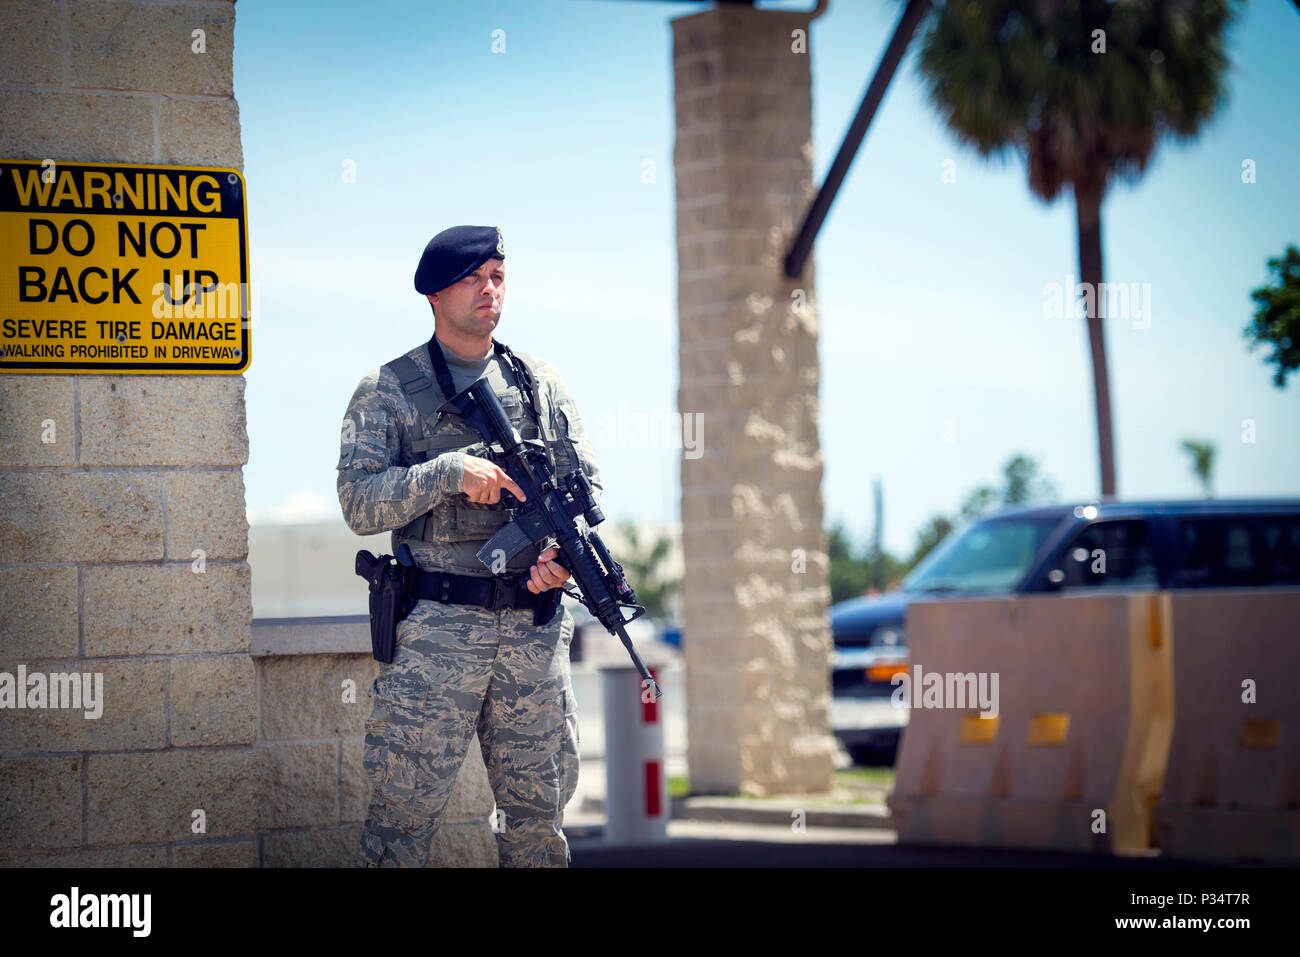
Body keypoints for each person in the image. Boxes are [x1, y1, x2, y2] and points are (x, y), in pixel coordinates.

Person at [336, 224, 601, 867]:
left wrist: (558, 560)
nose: (490, 290)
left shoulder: (540, 383)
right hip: (436, 633)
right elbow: (358, 503)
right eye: (474, 278)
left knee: (538, 828)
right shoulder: (387, 390)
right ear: (434, 293)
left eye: (499, 277)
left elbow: (583, 492)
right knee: (400, 825)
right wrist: (451, 472)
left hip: (532, 631)